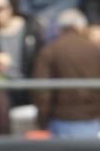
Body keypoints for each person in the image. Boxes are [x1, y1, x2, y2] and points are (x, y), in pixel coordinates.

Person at [31, 8, 100, 138]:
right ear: (81, 28)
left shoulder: (49, 51)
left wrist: (42, 119)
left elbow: (42, 91)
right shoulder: (95, 50)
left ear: (59, 29)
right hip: (94, 120)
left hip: (61, 121)